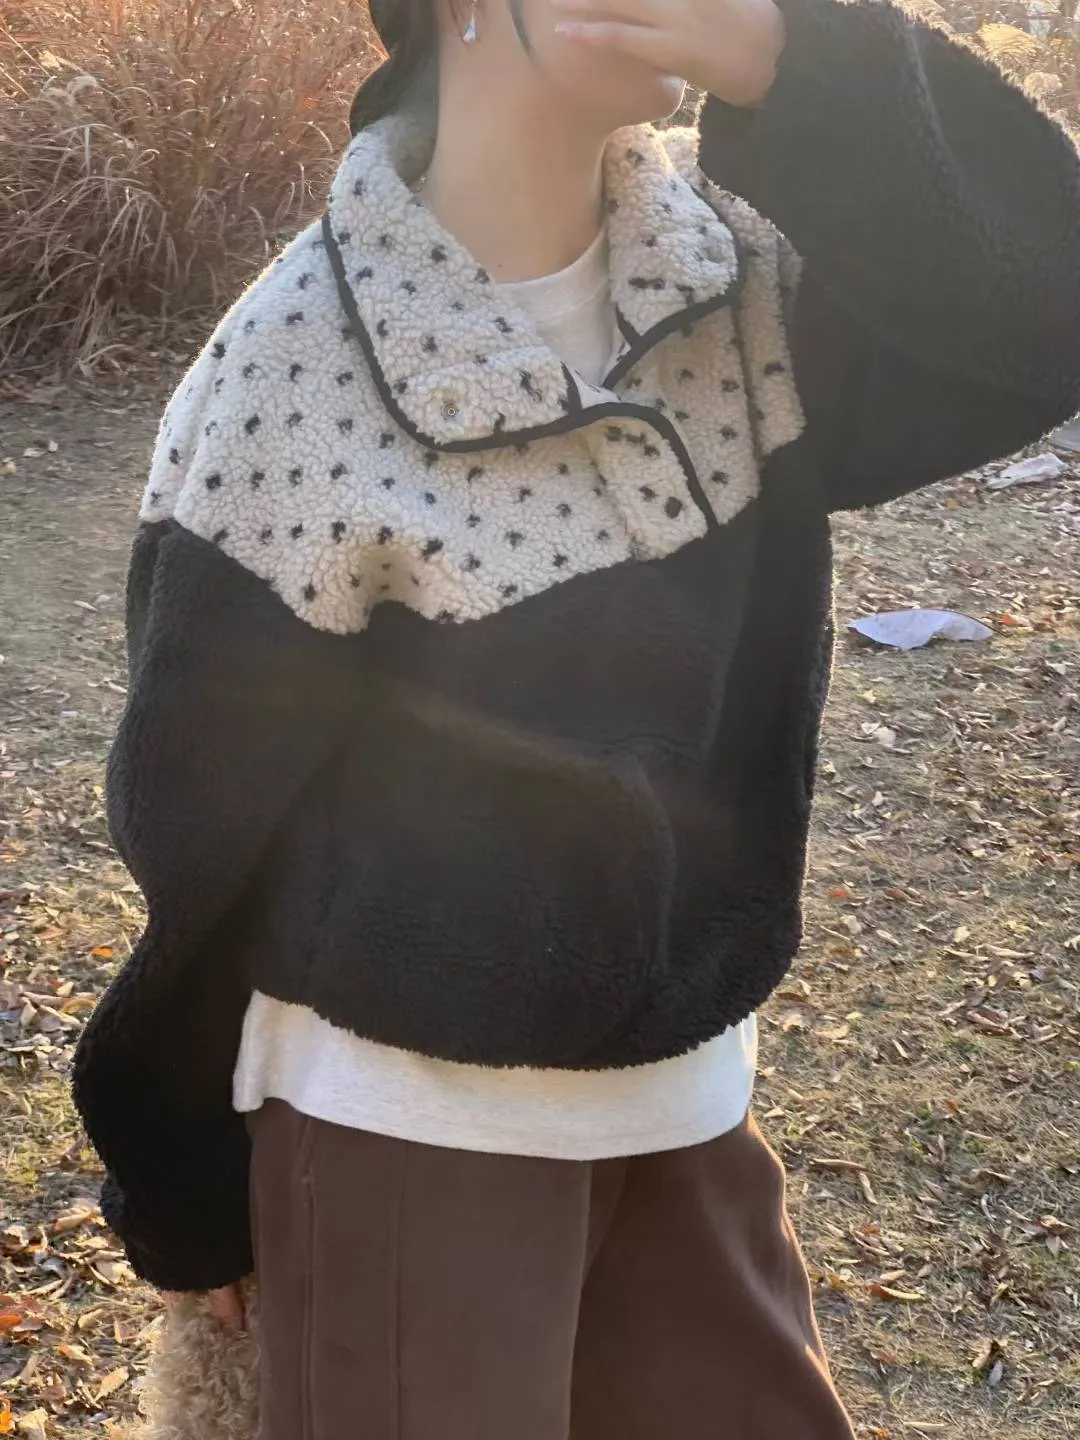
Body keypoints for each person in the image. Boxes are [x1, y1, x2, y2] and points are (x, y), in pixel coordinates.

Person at [73, 0, 1080, 1432]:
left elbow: (1045, 307)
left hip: (689, 1103)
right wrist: (176, 1181)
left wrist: (802, 56)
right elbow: (197, 824)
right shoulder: (297, 369)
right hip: (408, 1139)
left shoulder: (736, 286)